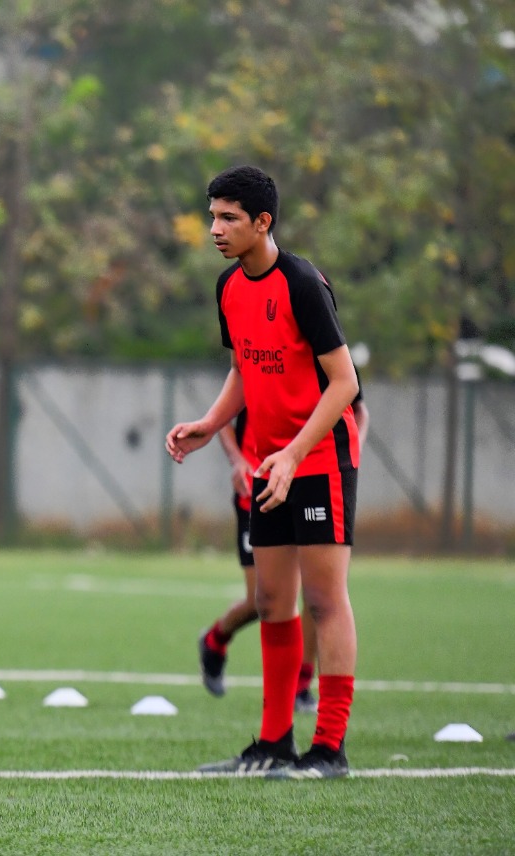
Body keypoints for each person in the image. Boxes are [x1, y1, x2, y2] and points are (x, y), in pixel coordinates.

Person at [166, 165, 360, 780]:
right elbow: (245, 370)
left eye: (229, 217)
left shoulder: (302, 283)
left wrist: (296, 453)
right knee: (273, 601)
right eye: (213, 215)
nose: (216, 228)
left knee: (325, 602)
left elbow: (344, 383)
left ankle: (328, 749)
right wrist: (209, 423)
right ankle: (273, 744)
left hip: (318, 458)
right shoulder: (229, 287)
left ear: (263, 222)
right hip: (271, 461)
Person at [198, 394, 369, 714]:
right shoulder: (255, 356)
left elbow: (356, 407)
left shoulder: (326, 352)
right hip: (258, 489)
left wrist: (350, 451)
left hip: (313, 482)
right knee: (262, 602)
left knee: (318, 596)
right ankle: (215, 639)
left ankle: (301, 685)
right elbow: (224, 415)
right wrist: (237, 460)